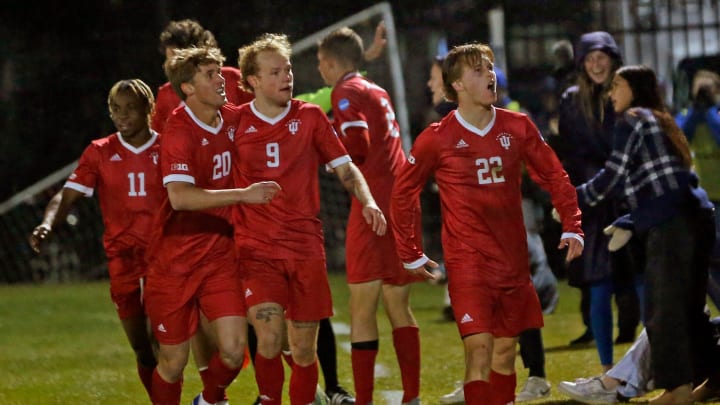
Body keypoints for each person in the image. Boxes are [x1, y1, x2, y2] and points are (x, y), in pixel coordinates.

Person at [390, 42, 584, 405]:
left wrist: (572, 222)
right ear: (457, 85)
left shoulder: (518, 126)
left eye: (490, 68)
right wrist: (410, 251)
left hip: (512, 261)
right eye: (478, 71)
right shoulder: (437, 137)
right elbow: (403, 192)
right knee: (479, 349)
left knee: (505, 352)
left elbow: (555, 175)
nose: (490, 76)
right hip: (468, 264)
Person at [234, 33, 386, 405]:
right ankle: (269, 398)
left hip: (305, 249)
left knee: (303, 350)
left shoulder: (311, 117)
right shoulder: (232, 123)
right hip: (257, 249)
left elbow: (346, 167)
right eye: (275, 71)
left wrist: (368, 201)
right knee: (268, 336)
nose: (287, 76)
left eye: (288, 69)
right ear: (252, 80)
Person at [143, 46, 281, 405]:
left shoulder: (231, 119)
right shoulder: (179, 131)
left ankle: (207, 400)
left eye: (219, 72)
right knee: (173, 363)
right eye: (210, 75)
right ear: (187, 88)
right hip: (173, 261)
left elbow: (273, 119)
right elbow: (180, 198)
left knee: (235, 351)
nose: (221, 80)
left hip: (219, 256)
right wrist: (243, 195)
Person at [573, 64, 717, 405]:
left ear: (635, 88)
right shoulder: (661, 119)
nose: (611, 94)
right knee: (691, 307)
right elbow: (660, 184)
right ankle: (714, 379)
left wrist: (571, 198)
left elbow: (613, 175)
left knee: (662, 308)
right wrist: (631, 219)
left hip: (673, 225)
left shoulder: (633, 119)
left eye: (617, 86)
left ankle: (677, 387)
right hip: (697, 217)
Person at [28, 79, 161, 401]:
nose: (123, 116)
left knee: (164, 342)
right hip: (122, 260)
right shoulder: (100, 152)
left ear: (148, 109)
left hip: (164, 257)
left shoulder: (170, 147)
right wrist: (47, 224)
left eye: (130, 108)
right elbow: (66, 196)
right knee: (142, 349)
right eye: (116, 109)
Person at [317, 27, 422, 405]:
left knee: (362, 305)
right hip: (403, 199)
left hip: (373, 202)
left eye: (320, 64)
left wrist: (324, 146)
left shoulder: (343, 91)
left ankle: (362, 401)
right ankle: (412, 398)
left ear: (329, 63)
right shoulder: (375, 88)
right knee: (399, 304)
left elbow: (357, 147)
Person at [553, 31, 642, 362]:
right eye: (590, 58)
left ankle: (645, 350)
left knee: (637, 274)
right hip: (592, 199)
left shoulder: (625, 94)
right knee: (597, 277)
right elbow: (568, 150)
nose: (596, 63)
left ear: (613, 58)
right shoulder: (572, 100)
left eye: (602, 56)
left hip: (626, 195)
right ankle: (606, 361)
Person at [152, 19, 254, 133]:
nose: (168, 65)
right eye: (168, 58)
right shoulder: (165, 94)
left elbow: (260, 114)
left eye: (175, 58)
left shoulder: (233, 78)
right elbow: (159, 137)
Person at [675, 69, 720, 306]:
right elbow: (680, 137)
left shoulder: (716, 114)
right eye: (698, 88)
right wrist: (696, 109)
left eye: (708, 88)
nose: (702, 93)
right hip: (704, 200)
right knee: (708, 259)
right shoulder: (688, 115)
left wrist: (709, 110)